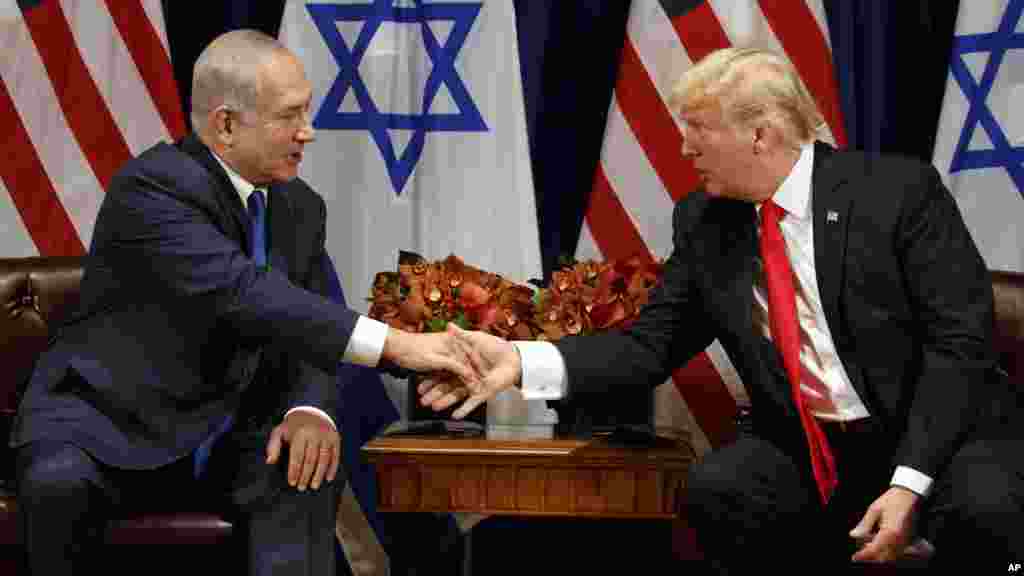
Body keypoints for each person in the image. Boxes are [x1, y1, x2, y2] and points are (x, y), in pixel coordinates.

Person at [418, 47, 1023, 572]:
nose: (682, 147)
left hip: (940, 438)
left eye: (698, 128)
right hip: (816, 452)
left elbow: (959, 347)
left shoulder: (896, 193)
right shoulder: (708, 223)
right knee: (722, 488)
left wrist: (908, 482)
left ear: (760, 134)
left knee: (987, 511)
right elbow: (645, 347)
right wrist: (519, 361)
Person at [11, 29, 474, 575]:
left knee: (307, 464)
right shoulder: (152, 189)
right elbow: (246, 293)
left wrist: (309, 409)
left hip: (230, 431)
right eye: (290, 115)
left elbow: (312, 323)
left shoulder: (299, 207)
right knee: (56, 483)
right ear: (226, 125)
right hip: (105, 425)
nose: (309, 132)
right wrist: (401, 346)